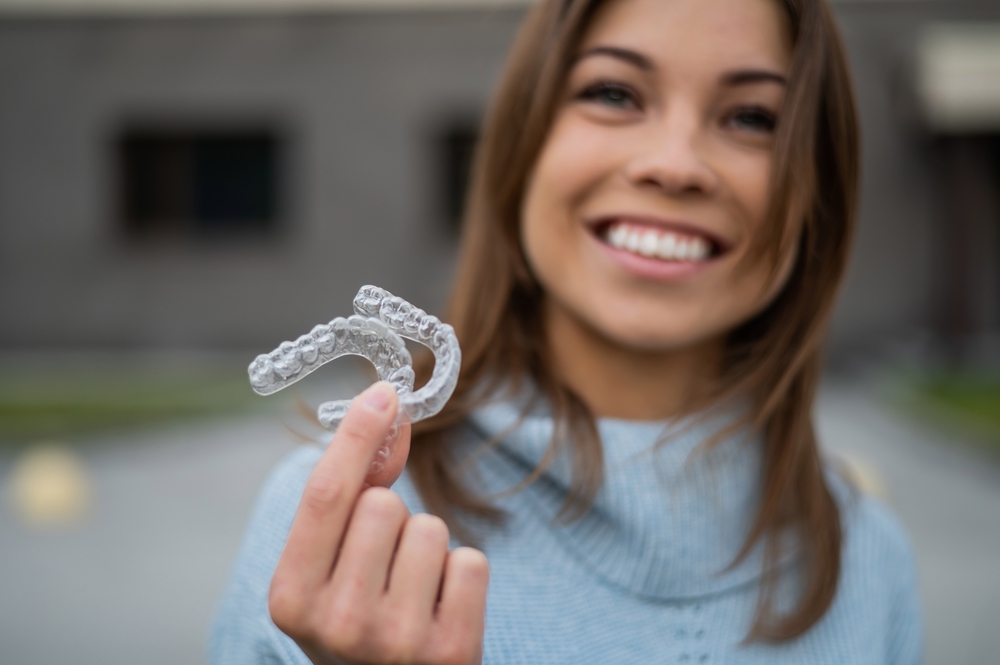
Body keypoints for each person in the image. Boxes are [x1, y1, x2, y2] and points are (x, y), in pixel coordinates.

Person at [211, 0, 923, 662]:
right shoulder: (330, 533)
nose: (674, 165)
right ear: (524, 144)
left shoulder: (871, 561)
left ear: (817, 195)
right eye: (614, 93)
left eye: (752, 117)